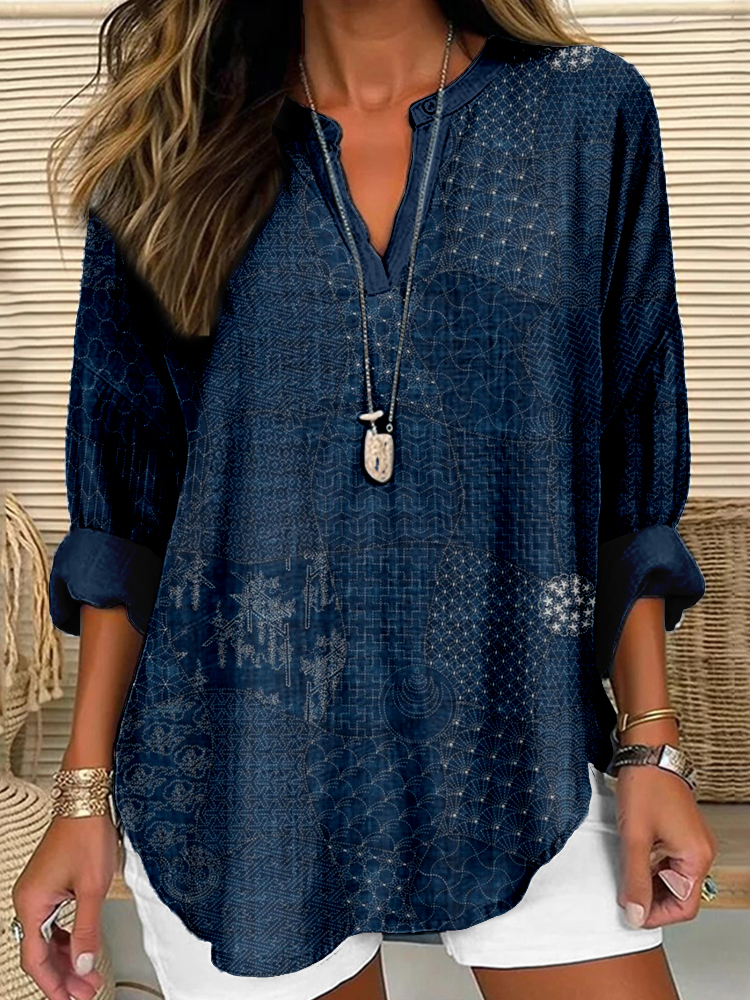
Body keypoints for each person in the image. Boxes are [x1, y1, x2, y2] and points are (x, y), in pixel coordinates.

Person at [11, 0, 719, 998]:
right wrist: (82, 795)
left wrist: (651, 742)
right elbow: (129, 515)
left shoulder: (586, 114)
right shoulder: (169, 144)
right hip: (244, 762)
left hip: (523, 738)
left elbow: (626, 452)